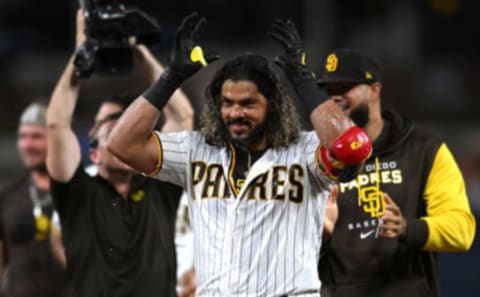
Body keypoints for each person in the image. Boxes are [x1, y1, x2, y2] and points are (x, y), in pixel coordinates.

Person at [106, 14, 371, 296]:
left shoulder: (304, 151)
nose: (235, 113)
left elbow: (353, 147)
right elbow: (122, 144)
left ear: (273, 107)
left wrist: (303, 80)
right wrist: (170, 78)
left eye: (248, 104)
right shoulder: (195, 150)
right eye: (227, 103)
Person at [45, 10, 193, 297]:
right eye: (111, 126)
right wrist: (79, 55)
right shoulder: (77, 193)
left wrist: (141, 52)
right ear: (94, 152)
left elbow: (183, 116)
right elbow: (56, 124)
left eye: (127, 125)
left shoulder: (160, 187)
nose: (122, 130)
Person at [316, 48, 477, 297]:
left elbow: (462, 231)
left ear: (375, 89)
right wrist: (319, 231)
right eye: (329, 91)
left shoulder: (424, 150)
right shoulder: (317, 158)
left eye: (344, 87)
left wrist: (406, 228)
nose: (335, 98)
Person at [0, 102, 67, 297]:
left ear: (55, 140)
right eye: (23, 136)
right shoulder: (7, 195)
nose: (27, 145)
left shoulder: (79, 192)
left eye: (36, 136)